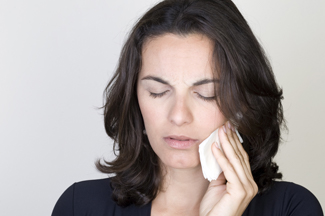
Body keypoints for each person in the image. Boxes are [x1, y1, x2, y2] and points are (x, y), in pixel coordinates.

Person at [52, 0, 323, 215]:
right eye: (158, 92)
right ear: (135, 99)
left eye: (207, 94)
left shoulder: (293, 208)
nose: (179, 115)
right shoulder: (80, 206)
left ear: (243, 103)